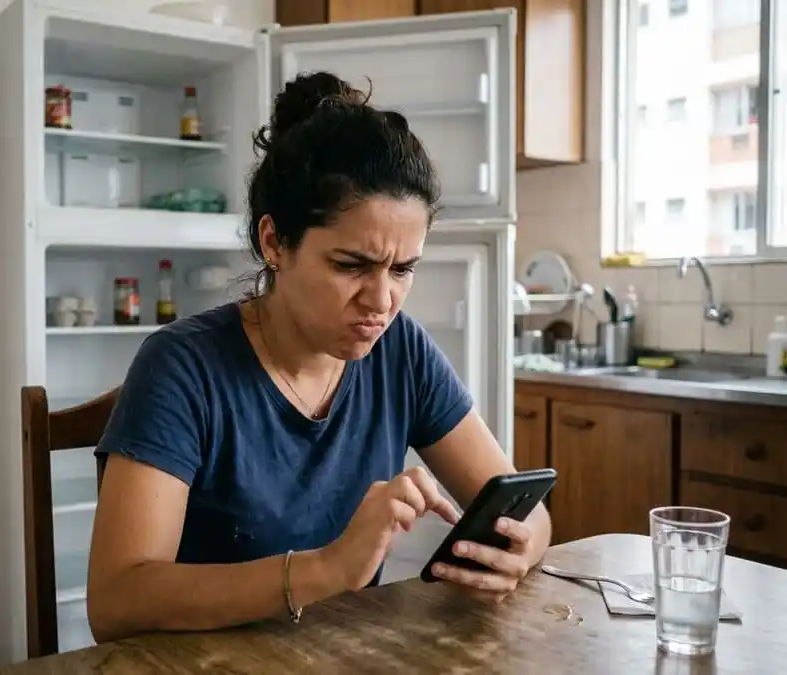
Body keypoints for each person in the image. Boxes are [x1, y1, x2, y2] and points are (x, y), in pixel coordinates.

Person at [86, 71, 552, 643]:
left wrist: (523, 546)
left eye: (402, 269)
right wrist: (327, 569)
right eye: (351, 265)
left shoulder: (400, 350)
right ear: (274, 242)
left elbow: (524, 505)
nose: (381, 301)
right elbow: (116, 601)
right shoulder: (182, 368)